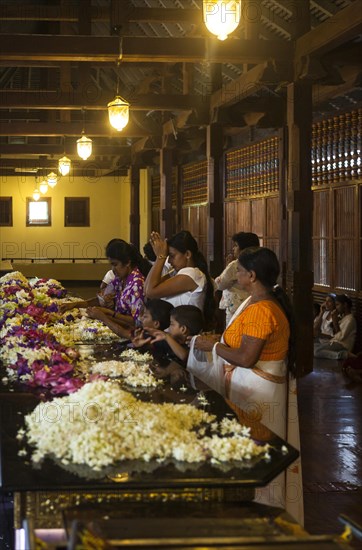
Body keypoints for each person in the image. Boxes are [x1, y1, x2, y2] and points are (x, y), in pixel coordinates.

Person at [186, 246, 303, 524]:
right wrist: (216, 342)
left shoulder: (262, 309)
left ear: (251, 275)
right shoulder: (254, 301)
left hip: (258, 395)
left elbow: (246, 358)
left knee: (257, 453)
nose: (235, 273)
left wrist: (213, 345)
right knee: (248, 451)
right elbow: (236, 342)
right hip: (249, 391)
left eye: (238, 269)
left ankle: (258, 516)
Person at [62, 239, 150, 339]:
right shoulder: (120, 280)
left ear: (127, 263)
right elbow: (100, 300)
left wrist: (106, 315)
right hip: (118, 329)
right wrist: (76, 304)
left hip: (132, 336)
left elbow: (137, 322)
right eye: (111, 264)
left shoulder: (137, 284)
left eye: (115, 264)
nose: (113, 269)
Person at [144, 230, 215, 327]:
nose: (169, 261)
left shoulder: (191, 274)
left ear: (187, 254)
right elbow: (147, 288)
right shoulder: (178, 272)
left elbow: (150, 292)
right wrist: (159, 257)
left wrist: (160, 257)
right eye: (168, 256)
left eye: (172, 256)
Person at [215, 232, 260, 326]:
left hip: (235, 306)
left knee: (232, 332)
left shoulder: (235, 264)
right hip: (252, 303)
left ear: (244, 249)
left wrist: (227, 267)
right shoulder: (258, 263)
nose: (233, 248)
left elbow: (221, 284)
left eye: (236, 245)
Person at [314, 294, 357, 360]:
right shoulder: (343, 317)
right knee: (312, 347)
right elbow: (335, 335)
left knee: (316, 351)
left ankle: (343, 354)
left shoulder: (350, 319)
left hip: (343, 346)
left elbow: (340, 338)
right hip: (334, 343)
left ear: (345, 305)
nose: (336, 307)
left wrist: (335, 322)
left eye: (338, 305)